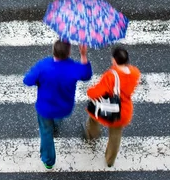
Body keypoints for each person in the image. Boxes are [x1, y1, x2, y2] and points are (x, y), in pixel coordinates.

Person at [23, 40, 92, 170]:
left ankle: (49, 161)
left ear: (53, 51)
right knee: (56, 120)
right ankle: (56, 126)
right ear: (69, 52)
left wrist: (39, 81)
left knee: (45, 132)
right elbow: (87, 75)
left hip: (46, 108)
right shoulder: (74, 67)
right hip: (64, 107)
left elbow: (27, 80)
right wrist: (83, 54)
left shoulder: (43, 66)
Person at [84, 46, 140, 167]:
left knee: (93, 116)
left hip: (108, 109)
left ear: (114, 60)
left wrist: (89, 92)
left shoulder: (111, 76)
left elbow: (97, 92)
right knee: (115, 135)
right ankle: (110, 160)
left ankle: (92, 135)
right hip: (123, 111)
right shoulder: (135, 73)